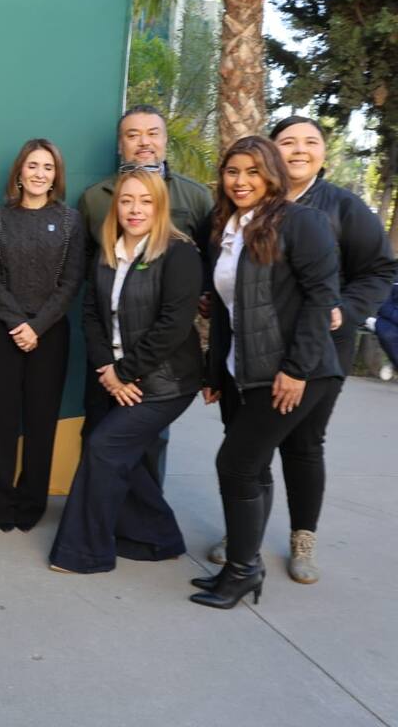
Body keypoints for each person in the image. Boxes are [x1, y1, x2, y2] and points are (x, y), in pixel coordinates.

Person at [205, 117, 397, 582]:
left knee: (302, 445)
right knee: (249, 450)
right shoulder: (229, 220)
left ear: (323, 154)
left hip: (314, 351)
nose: (298, 150)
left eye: (310, 142)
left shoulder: (335, 209)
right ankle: (245, 540)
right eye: (287, 141)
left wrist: (342, 310)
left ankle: (301, 540)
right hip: (248, 357)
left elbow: (376, 272)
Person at [190, 136, 341, 609]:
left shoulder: (303, 222)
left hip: (297, 373)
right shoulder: (226, 228)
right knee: (251, 471)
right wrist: (215, 373)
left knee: (235, 465)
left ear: (271, 174)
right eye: (233, 171)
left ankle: (242, 571)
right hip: (243, 372)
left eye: (253, 171)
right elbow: (224, 309)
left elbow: (321, 297)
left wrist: (296, 370)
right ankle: (240, 565)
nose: (241, 181)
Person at [48, 169, 202, 573]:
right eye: (127, 200)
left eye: (145, 201)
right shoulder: (107, 250)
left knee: (106, 448)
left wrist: (125, 373)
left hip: (165, 382)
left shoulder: (180, 253)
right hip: (112, 374)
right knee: (116, 453)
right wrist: (107, 369)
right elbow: (91, 315)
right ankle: (158, 538)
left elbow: (174, 325)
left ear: (160, 206)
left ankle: (84, 554)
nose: (135, 209)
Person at [77, 104, 213, 485]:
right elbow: (91, 274)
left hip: (159, 355)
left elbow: (210, 262)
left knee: (150, 441)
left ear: (165, 141)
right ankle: (101, 511)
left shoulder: (196, 197)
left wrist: (202, 298)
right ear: (121, 145)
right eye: (133, 135)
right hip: (109, 342)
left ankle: (148, 524)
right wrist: (110, 368)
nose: (144, 142)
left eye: (152, 133)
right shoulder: (95, 198)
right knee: (100, 432)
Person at [0, 138, 84, 532]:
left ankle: (31, 502)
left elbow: (72, 281)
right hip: (1, 332)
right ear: (19, 172)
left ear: (56, 175)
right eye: (33, 166)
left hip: (50, 335)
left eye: (48, 167)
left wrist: (37, 326)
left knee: (41, 423)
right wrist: (16, 324)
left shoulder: (71, 220)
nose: (40, 174)